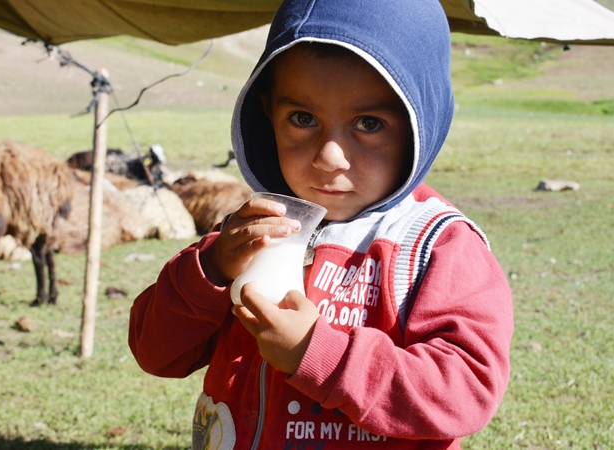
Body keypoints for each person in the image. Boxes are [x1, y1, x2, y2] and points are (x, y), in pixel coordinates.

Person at [129, 0, 514, 448]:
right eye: (302, 118)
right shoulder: (252, 229)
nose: (329, 157)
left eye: (369, 123)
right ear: (268, 112)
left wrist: (319, 354)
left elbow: (464, 393)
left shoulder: (435, 245)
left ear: (419, 124)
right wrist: (210, 269)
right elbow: (156, 352)